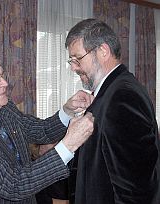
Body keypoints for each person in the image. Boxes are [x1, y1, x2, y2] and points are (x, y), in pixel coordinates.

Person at [0, 45, 94, 204]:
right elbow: (12, 185)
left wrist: (67, 110)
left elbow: (42, 130)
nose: (5, 83)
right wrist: (69, 145)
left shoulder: (5, 108)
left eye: (1, 75)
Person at [65, 18, 160, 204]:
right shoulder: (109, 92)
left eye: (77, 59)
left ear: (103, 51)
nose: (74, 68)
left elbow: (135, 191)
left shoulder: (122, 97)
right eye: (71, 61)